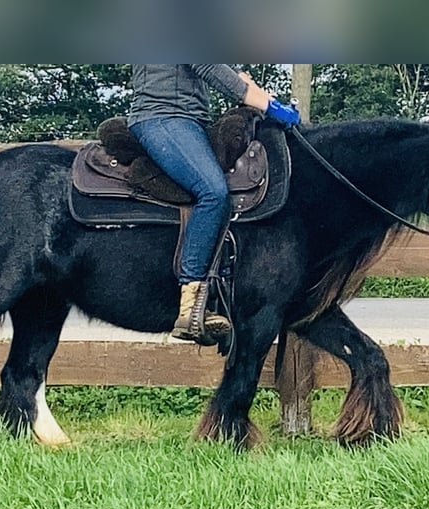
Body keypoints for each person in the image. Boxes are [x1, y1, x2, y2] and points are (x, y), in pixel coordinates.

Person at [127, 64, 300, 344]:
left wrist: (253, 91)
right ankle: (189, 305)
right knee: (213, 191)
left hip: (187, 121)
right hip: (163, 118)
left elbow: (223, 72)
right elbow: (210, 67)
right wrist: (270, 105)